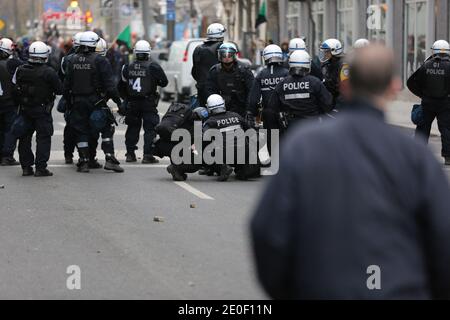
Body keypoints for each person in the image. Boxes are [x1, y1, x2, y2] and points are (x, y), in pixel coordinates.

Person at [251, 44, 450, 299]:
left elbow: (268, 232)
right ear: (392, 88)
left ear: (346, 86)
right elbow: (441, 239)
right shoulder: (416, 156)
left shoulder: (304, 147)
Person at [63, 31, 123, 173]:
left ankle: (83, 162)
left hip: (77, 101)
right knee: (106, 128)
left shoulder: (72, 60)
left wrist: (68, 102)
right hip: (96, 102)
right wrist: (119, 102)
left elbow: (66, 85)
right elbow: (110, 85)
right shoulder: (100, 60)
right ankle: (110, 159)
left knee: (81, 130)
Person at [166, 94, 250, 182]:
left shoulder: (210, 122)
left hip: (225, 155)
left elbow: (201, 141)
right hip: (243, 153)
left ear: (209, 108)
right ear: (223, 104)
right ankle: (229, 168)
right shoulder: (236, 116)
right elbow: (250, 131)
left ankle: (177, 167)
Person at [12, 41, 63, 177]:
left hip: (24, 109)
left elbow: (14, 88)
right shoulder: (49, 72)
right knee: (43, 138)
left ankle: (26, 167)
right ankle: (41, 168)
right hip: (42, 110)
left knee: (24, 138)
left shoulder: (20, 69)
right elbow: (59, 90)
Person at [119, 40, 168, 164]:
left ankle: (130, 154)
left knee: (132, 128)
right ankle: (147, 155)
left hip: (132, 103)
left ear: (135, 52)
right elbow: (164, 82)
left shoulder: (127, 67)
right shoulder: (154, 66)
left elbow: (121, 86)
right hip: (148, 102)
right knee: (150, 129)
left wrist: (127, 99)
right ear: (148, 52)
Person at [407, 40, 450, 166]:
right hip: (445, 103)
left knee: (422, 129)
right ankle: (448, 157)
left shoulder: (426, 65)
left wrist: (423, 94)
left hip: (427, 103)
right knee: (446, 130)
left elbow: (411, 82)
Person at [268, 50, 332, 132]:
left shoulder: (282, 84)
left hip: (290, 129)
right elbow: (328, 104)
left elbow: (272, 108)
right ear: (308, 64)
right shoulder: (315, 82)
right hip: (313, 127)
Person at [206, 43, 254, 117]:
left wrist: (249, 111)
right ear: (220, 56)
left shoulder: (244, 70)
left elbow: (251, 91)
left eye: (229, 55)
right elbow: (210, 91)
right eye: (224, 55)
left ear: (234, 56)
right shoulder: (214, 71)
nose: (227, 58)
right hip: (221, 109)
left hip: (241, 108)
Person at [191, 23, 226, 107]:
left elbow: (194, 71)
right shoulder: (222, 47)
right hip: (218, 89)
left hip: (202, 89)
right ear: (220, 34)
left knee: (204, 114)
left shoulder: (198, 48)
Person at [0, 38, 22, 166]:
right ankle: (7, 156)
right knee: (10, 130)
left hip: (6, 100)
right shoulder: (13, 63)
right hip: (9, 102)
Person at [319, 38, 349, 110]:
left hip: (341, 104)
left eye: (327, 52)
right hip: (332, 100)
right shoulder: (329, 64)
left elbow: (345, 88)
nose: (325, 54)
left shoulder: (344, 66)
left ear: (334, 51)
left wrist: (337, 107)